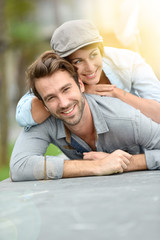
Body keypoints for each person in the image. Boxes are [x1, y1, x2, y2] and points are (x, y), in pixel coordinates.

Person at [10, 51, 160, 182]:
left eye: (66, 89)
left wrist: (130, 163)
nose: (63, 103)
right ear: (44, 106)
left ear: (81, 85)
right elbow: (19, 166)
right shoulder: (47, 120)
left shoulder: (126, 117)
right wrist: (97, 166)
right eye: (51, 98)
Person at [16, 19, 160, 131]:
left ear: (101, 51)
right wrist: (79, 91)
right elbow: (24, 117)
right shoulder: (57, 78)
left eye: (93, 55)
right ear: (64, 66)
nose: (90, 68)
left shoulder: (129, 62)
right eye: (78, 61)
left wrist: (116, 93)